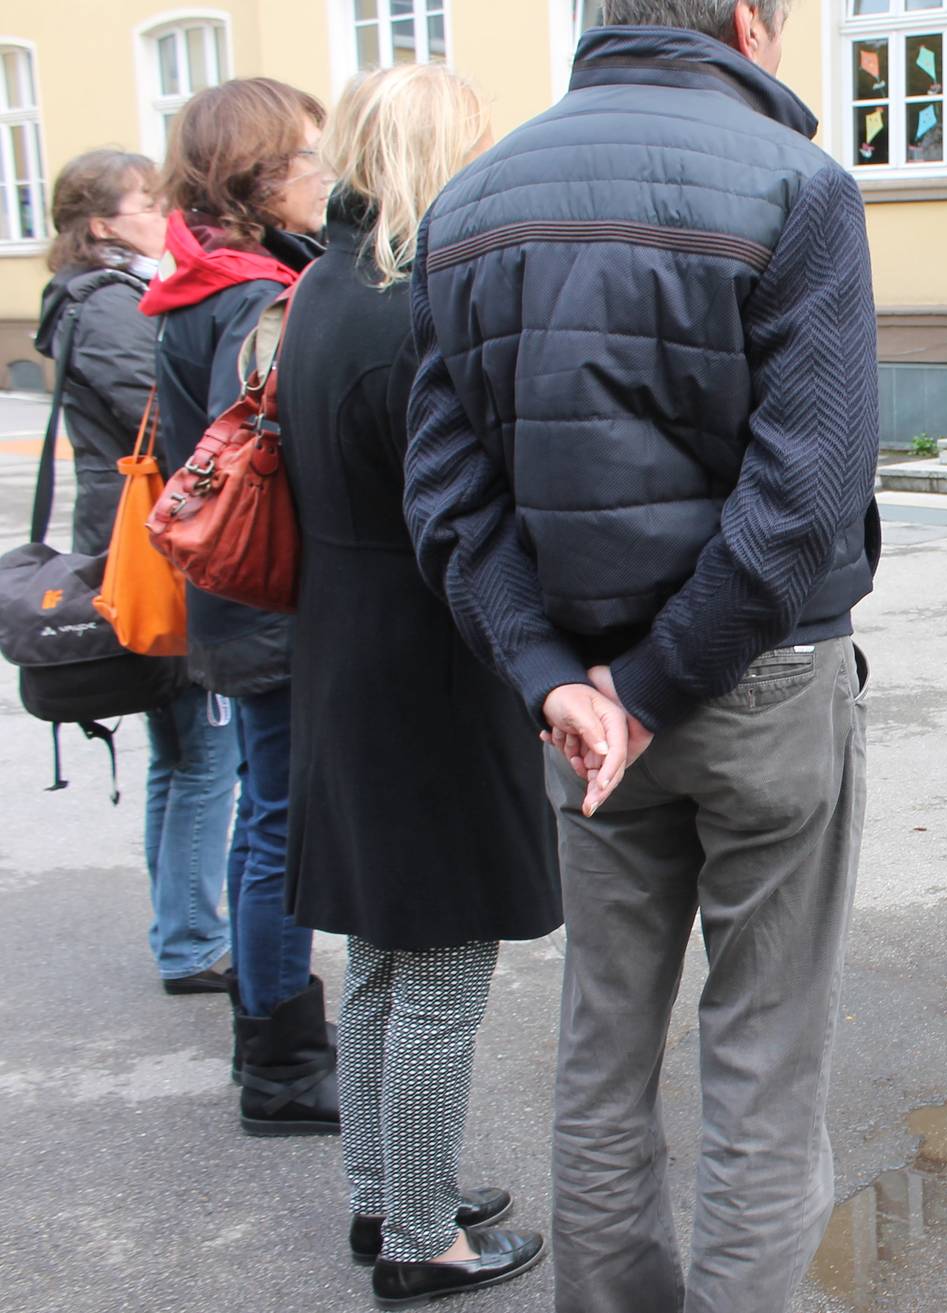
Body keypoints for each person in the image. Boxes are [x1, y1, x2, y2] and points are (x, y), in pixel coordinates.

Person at [401, 2, 880, 1308]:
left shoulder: (470, 203)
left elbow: (446, 498)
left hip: (584, 708)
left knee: (600, 1052)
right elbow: (808, 495)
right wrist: (646, 689)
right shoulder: (798, 186)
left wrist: (558, 676)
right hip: (755, 683)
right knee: (764, 1061)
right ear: (741, 22)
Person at [276, 66, 558, 1305]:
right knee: (439, 966)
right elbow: (472, 511)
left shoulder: (325, 290)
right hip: (424, 665)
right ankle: (420, 1240)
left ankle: (388, 1190)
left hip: (349, 651)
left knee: (386, 955)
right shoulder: (413, 309)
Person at [142, 77, 340, 1135]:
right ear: (262, 178)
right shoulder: (252, 299)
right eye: (312, 158)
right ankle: (283, 1066)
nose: (327, 175)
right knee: (277, 825)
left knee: (262, 814)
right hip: (268, 599)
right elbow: (282, 451)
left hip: (231, 597)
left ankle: (265, 1036)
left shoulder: (197, 280)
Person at [35, 150, 239, 997]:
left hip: (133, 543)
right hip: (156, 551)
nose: (169, 219)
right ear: (101, 225)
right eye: (150, 205)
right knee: (204, 756)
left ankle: (179, 924)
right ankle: (191, 939)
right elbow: (158, 410)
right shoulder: (110, 306)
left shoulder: (91, 301)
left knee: (179, 749)